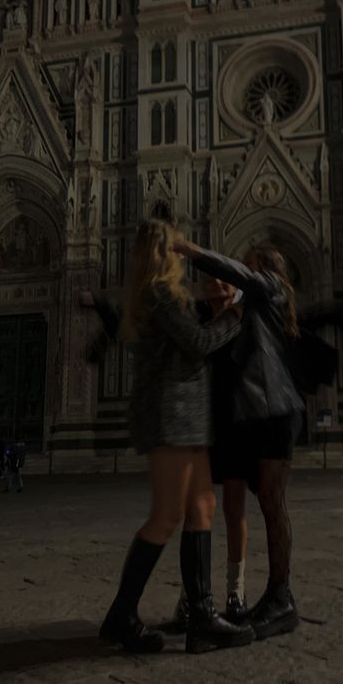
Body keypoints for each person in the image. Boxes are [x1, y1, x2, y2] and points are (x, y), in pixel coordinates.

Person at [84, 219, 254, 655]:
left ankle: (201, 616)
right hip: (171, 417)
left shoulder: (159, 295)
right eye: (177, 251)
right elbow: (197, 342)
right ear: (164, 253)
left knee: (203, 505)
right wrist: (235, 315)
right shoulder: (159, 294)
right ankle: (121, 616)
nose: (182, 258)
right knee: (165, 515)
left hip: (185, 418)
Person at [175, 238, 305, 641]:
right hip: (262, 413)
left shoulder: (272, 287)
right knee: (267, 502)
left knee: (272, 502)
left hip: (274, 410)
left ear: (265, 267)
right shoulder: (254, 306)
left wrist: (193, 253)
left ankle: (281, 597)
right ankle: (273, 597)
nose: (240, 271)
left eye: (247, 265)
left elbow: (243, 278)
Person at [172, 275, 251, 631]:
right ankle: (191, 597)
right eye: (212, 277)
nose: (217, 282)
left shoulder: (245, 323)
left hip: (234, 424)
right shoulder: (197, 322)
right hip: (201, 424)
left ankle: (236, 592)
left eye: (226, 279)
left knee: (235, 510)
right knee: (198, 512)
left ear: (236, 289)